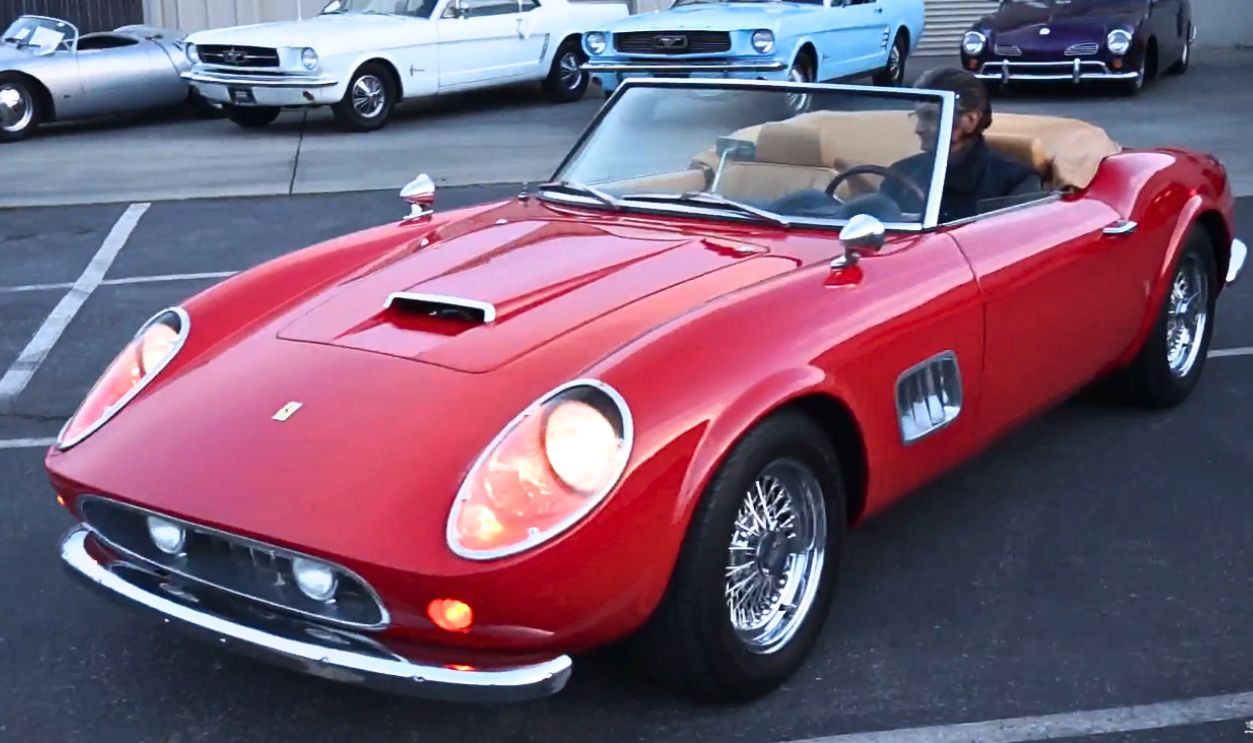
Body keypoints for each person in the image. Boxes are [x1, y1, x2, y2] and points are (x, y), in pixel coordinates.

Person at [880, 66, 1043, 222]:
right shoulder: (901, 173)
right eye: (918, 116)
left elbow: (1016, 236)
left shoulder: (1015, 181)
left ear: (970, 120)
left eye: (930, 116)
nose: (919, 128)